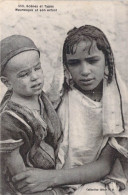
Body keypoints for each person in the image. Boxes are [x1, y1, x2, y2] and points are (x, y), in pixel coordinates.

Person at [2, 26, 128, 195]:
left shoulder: (118, 108)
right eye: (74, 63)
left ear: (107, 60)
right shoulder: (57, 98)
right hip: (49, 178)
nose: (84, 71)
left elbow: (105, 165)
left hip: (94, 181)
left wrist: (48, 178)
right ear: (65, 65)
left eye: (92, 60)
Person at [0, 35, 63, 195]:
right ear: (7, 82)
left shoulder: (38, 95)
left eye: (37, 68)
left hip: (50, 171)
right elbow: (19, 176)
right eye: (24, 74)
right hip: (26, 183)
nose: (35, 77)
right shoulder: (9, 119)